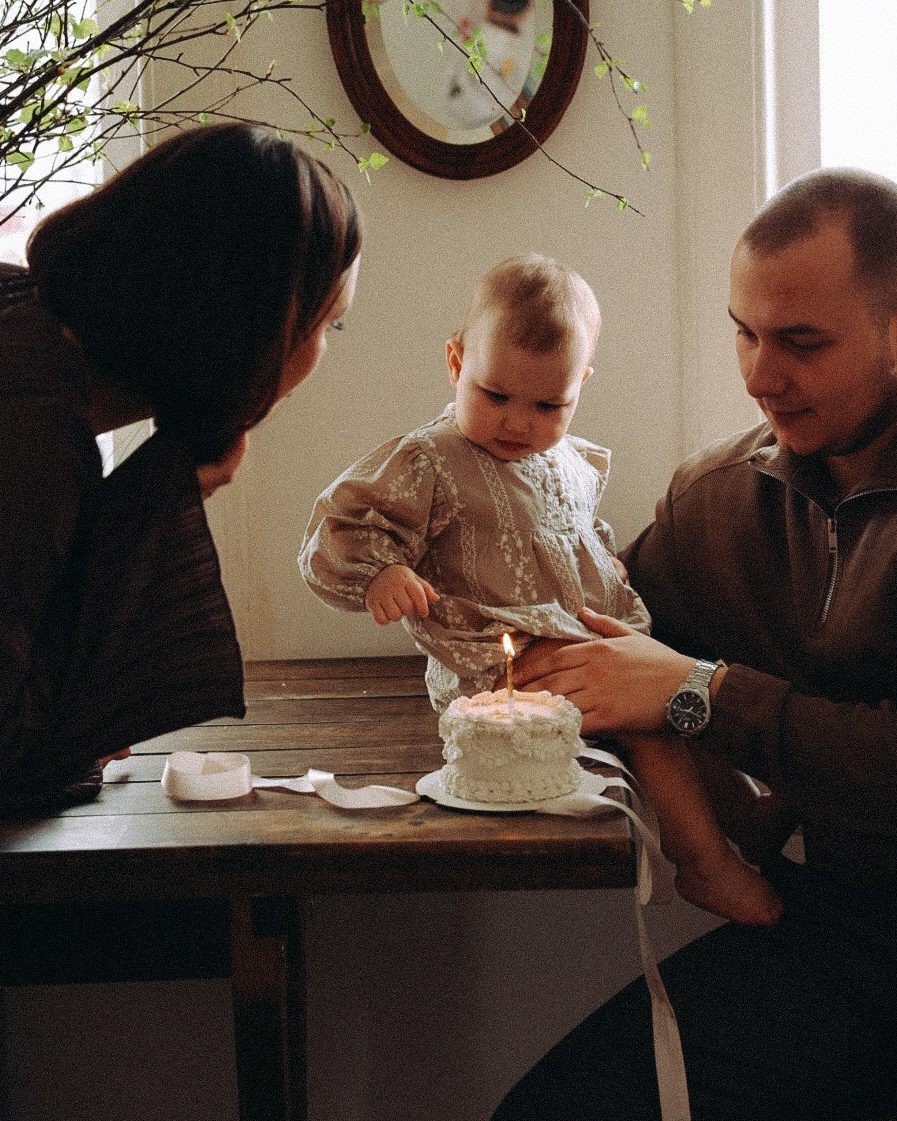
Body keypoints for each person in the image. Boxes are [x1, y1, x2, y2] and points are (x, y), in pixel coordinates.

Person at [496, 169, 897, 1121]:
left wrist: (698, 696)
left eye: (802, 342)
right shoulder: (719, 498)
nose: (763, 374)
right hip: (826, 921)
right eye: (745, 333)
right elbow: (584, 649)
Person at [300, 254, 781, 924]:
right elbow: (342, 525)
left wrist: (607, 565)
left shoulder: (564, 459)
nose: (519, 422)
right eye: (495, 395)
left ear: (579, 385)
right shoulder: (431, 459)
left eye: (548, 404)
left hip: (575, 640)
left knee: (679, 692)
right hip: (500, 665)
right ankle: (704, 864)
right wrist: (381, 572)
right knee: (649, 725)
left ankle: (747, 819)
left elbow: (576, 528)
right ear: (456, 362)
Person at [0, 123, 361, 814]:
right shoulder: (33, 432)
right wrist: (160, 505)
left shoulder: (27, 333)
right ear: (240, 329)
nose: (319, 356)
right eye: (324, 326)